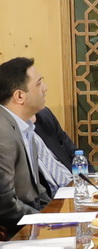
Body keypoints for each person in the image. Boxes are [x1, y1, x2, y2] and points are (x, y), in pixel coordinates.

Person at [0, 57, 52, 237]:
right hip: (16, 232)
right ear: (20, 96)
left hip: (30, 222)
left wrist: (57, 215)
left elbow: (36, 191)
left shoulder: (24, 127)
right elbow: (5, 204)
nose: (45, 88)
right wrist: (47, 222)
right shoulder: (3, 133)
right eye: (39, 83)